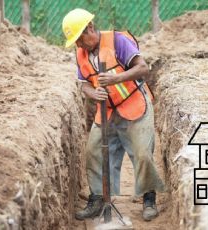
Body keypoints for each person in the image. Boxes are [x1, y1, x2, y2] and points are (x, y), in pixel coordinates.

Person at [62, 8, 165, 221]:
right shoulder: (81, 53)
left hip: (133, 103)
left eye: (79, 40)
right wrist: (94, 92)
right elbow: (84, 86)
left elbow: (143, 69)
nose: (78, 45)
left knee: (142, 153)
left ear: (90, 28)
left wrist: (115, 80)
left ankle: (148, 198)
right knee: (93, 151)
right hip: (107, 110)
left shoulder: (118, 41)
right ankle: (98, 198)